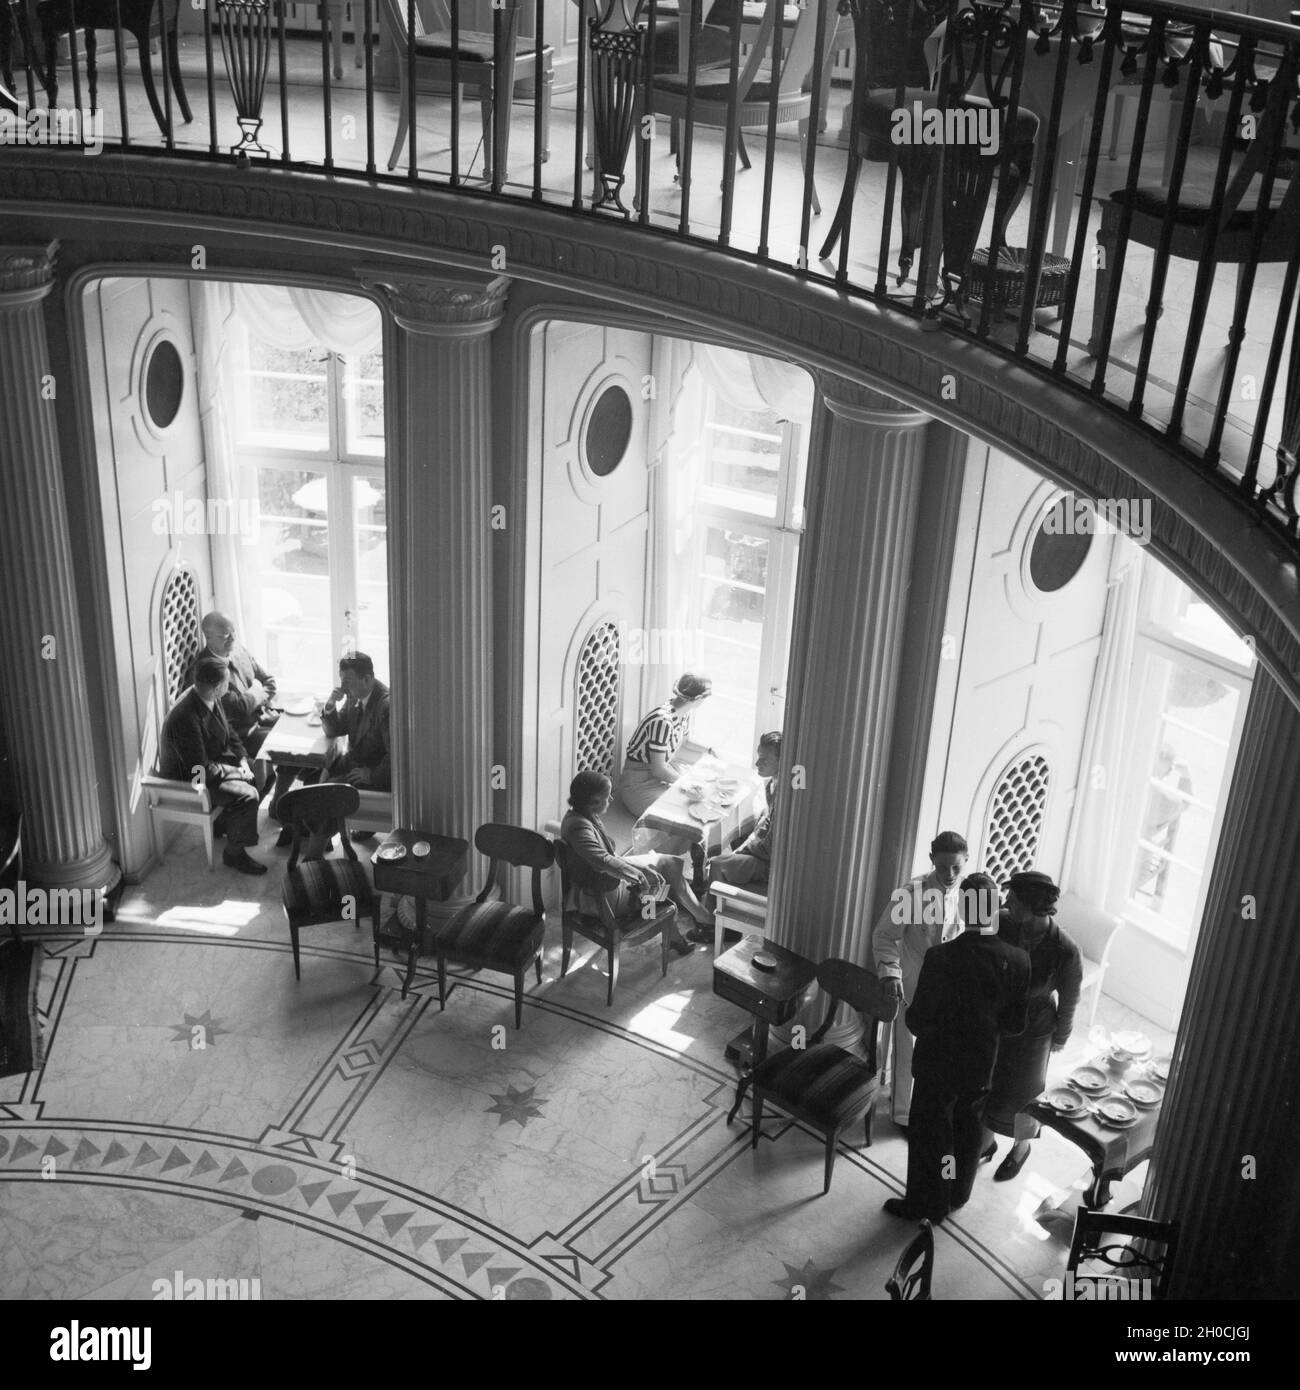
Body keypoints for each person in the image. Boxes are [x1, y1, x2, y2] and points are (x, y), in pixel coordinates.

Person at [883, 873, 1030, 1225]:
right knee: (967, 1130)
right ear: (994, 910)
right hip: (979, 1065)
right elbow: (1015, 1025)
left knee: (930, 1135)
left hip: (937, 1064)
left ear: (963, 910)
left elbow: (917, 1020)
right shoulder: (1019, 961)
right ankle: (957, 1193)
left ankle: (924, 1203)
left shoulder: (941, 957)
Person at [979, 871, 1083, 1181]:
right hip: (998, 1021)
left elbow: (1069, 998)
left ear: (1031, 905)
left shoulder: (1065, 949)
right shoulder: (1000, 923)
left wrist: (1061, 1036)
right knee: (989, 1083)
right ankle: (986, 1143)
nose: (1006, 901)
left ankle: (1020, 1150)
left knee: (1025, 1096)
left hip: (1035, 1031)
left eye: (1013, 898)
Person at [872, 830, 970, 1131]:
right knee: (907, 1047)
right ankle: (903, 1115)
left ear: (966, 861)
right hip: (914, 980)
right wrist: (891, 973)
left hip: (952, 984)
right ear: (931, 861)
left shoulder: (972, 894)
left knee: (943, 1048)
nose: (950, 874)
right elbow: (884, 935)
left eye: (956, 866)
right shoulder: (912, 893)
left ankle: (932, 1107)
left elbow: (982, 937)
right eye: (943, 867)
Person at [560, 771, 713, 954]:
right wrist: (640, 874)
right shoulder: (578, 827)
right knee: (660, 883)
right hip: (601, 897)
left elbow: (606, 856)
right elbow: (602, 860)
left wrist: (640, 868)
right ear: (593, 802)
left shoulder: (581, 815)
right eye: (607, 797)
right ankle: (672, 918)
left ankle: (687, 923)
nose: (611, 798)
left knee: (670, 863)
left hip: (602, 882)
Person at [160, 655, 266, 875]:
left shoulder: (208, 696)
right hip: (190, 778)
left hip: (209, 764)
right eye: (227, 683)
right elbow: (199, 769)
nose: (229, 688)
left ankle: (227, 825)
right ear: (217, 687)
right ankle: (234, 853)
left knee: (261, 771)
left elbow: (229, 732)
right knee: (248, 795)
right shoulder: (186, 718)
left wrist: (243, 760)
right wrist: (235, 771)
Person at [184, 611, 278, 762]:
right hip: (241, 736)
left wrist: (254, 696)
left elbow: (270, 683)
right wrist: (257, 689)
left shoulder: (239, 651)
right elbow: (238, 709)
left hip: (263, 717)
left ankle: (284, 785)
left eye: (233, 632)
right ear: (208, 637)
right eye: (226, 635)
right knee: (288, 747)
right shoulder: (205, 670)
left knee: (301, 732)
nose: (233, 638)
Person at [617, 673, 713, 818]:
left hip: (659, 776)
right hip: (638, 783)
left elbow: (685, 743)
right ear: (698, 699)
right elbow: (659, 770)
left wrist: (709, 750)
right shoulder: (662, 721)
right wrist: (685, 783)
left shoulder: (683, 712)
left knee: (699, 798)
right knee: (683, 811)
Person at [706, 731, 782, 890]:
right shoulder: (770, 784)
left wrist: (743, 850)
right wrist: (747, 843)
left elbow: (768, 850)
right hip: (764, 847)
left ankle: (710, 913)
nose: (757, 764)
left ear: (782, 762)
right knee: (738, 829)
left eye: (764, 760)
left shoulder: (785, 797)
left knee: (716, 864)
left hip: (773, 865)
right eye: (758, 756)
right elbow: (767, 822)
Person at [320, 652, 391, 791]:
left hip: (371, 775)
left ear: (367, 679)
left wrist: (371, 776)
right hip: (352, 763)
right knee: (313, 776)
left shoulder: (386, 707)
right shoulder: (354, 695)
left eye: (347, 682)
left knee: (322, 792)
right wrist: (330, 705)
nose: (343, 687)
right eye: (341, 681)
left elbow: (396, 754)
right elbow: (336, 730)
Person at [1133, 744, 1194, 903]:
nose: (1167, 774)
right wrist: (1185, 776)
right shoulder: (1159, 796)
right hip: (1135, 858)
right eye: (1168, 770)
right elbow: (1184, 802)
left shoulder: (1132, 772)